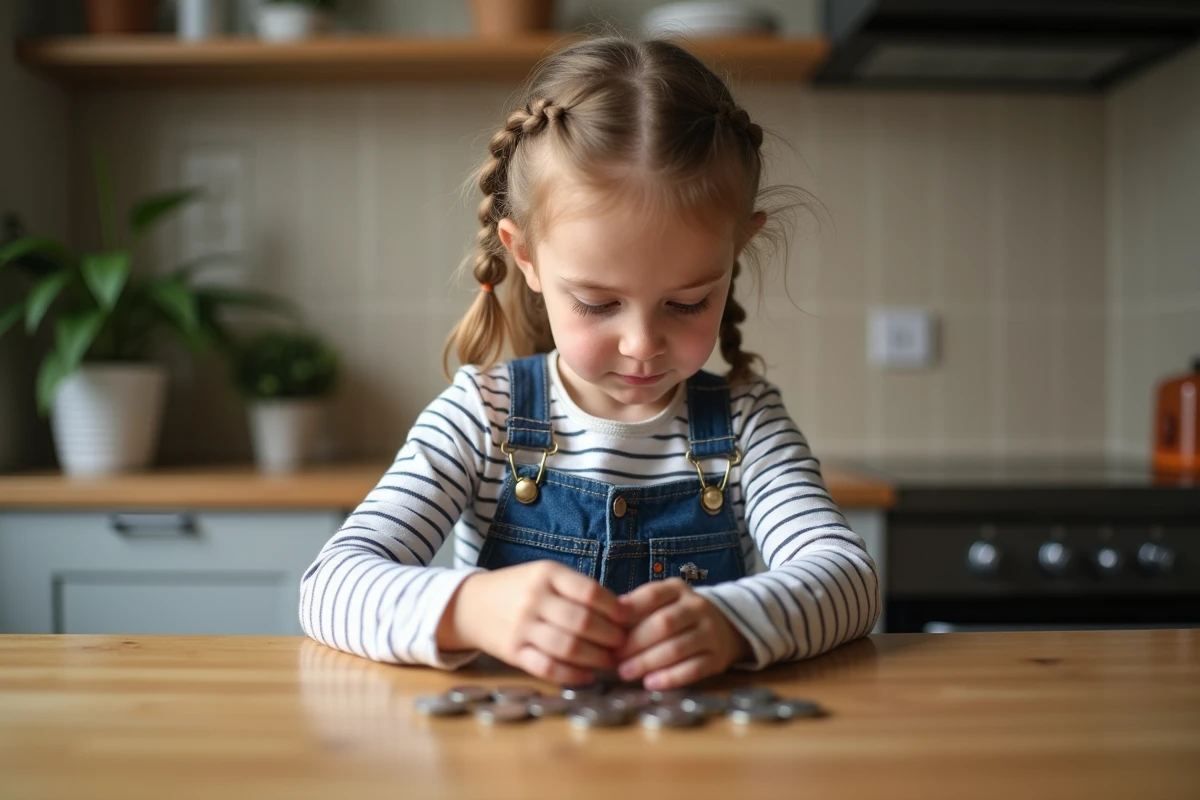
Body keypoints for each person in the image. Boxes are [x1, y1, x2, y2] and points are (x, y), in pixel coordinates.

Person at [300, 36, 879, 691]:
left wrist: (732, 621)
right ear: (526, 258)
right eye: (599, 303)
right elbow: (330, 585)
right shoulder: (482, 416)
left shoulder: (747, 425)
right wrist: (471, 609)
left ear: (737, 253)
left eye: (687, 302)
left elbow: (849, 580)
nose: (641, 343)